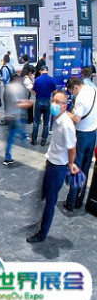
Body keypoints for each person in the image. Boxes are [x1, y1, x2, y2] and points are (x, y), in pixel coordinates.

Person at [27, 90, 79, 243]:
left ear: (64, 106)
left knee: (50, 202)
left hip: (57, 169)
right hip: (51, 163)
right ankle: (40, 219)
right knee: (43, 194)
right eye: (53, 101)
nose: (54, 104)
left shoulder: (66, 125)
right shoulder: (59, 118)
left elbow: (72, 149)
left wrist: (71, 164)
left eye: (58, 102)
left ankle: (42, 233)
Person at [64, 77, 97, 211]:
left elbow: (76, 119)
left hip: (81, 135)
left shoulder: (80, 98)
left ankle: (70, 202)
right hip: (93, 134)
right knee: (85, 168)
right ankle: (79, 200)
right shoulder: (93, 90)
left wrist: (66, 113)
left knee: (75, 167)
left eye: (72, 91)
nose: (73, 94)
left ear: (76, 87)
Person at [2, 74, 32, 166]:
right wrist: (28, 103)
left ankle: (8, 157)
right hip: (17, 116)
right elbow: (18, 103)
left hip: (9, 115)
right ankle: (26, 152)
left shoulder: (7, 87)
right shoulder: (17, 88)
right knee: (17, 134)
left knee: (11, 137)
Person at [31, 66, 56, 146]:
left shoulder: (37, 80)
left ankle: (34, 140)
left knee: (36, 122)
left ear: (41, 71)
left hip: (39, 101)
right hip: (47, 102)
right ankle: (43, 141)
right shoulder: (51, 79)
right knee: (46, 123)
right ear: (47, 71)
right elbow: (54, 91)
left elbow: (33, 91)